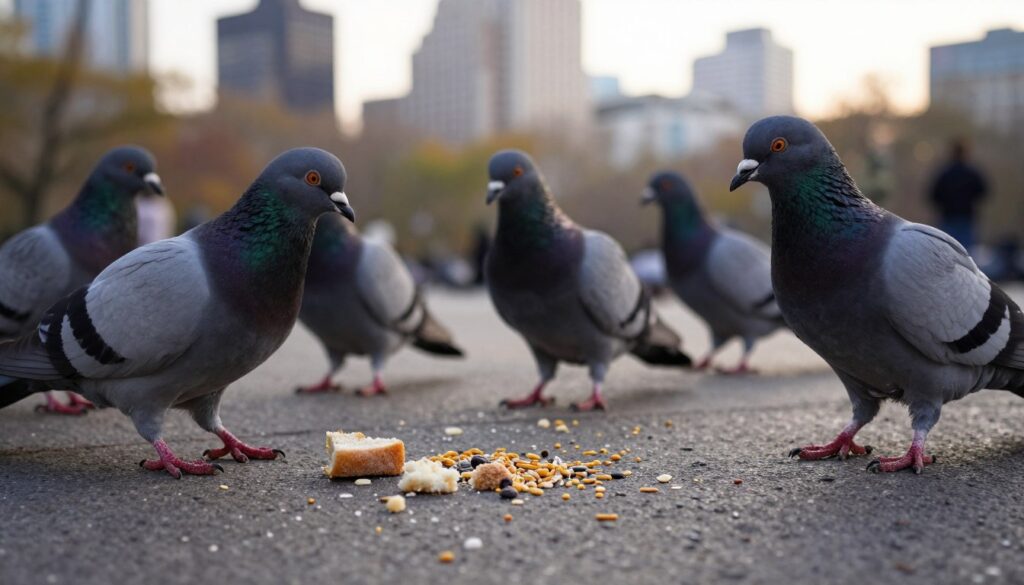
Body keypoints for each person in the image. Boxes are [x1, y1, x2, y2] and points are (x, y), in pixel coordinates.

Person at [929, 139, 988, 253]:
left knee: (946, 252)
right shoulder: (972, 173)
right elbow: (983, 191)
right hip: (967, 218)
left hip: (948, 217)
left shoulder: (945, 174)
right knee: (966, 254)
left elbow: (933, 195)